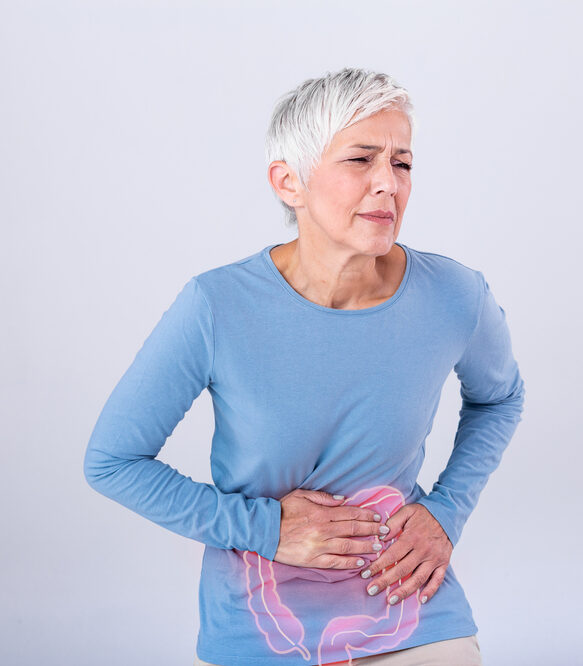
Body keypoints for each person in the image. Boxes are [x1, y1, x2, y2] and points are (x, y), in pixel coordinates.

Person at [83, 67, 525, 666]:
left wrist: (446, 513)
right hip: (256, 624)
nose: (388, 184)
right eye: (361, 159)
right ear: (289, 181)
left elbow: (501, 397)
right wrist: (265, 529)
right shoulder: (217, 306)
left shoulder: (454, 295)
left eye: (401, 163)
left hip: (412, 609)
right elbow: (112, 461)